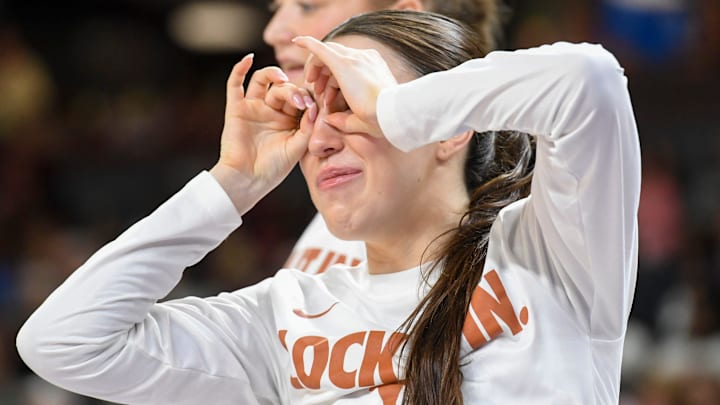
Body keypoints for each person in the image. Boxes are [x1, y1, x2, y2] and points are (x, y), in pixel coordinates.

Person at [16, 10, 640, 405]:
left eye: (348, 103)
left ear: (452, 127)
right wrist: (233, 183)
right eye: (310, 112)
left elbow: (590, 80)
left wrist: (396, 110)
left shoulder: (553, 251)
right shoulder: (284, 313)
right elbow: (62, 342)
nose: (319, 136)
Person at [264, 0, 509, 275]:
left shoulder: (530, 239)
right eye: (308, 115)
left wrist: (405, 109)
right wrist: (232, 183)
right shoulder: (345, 204)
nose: (272, 32)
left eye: (308, 6)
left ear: (401, 15)